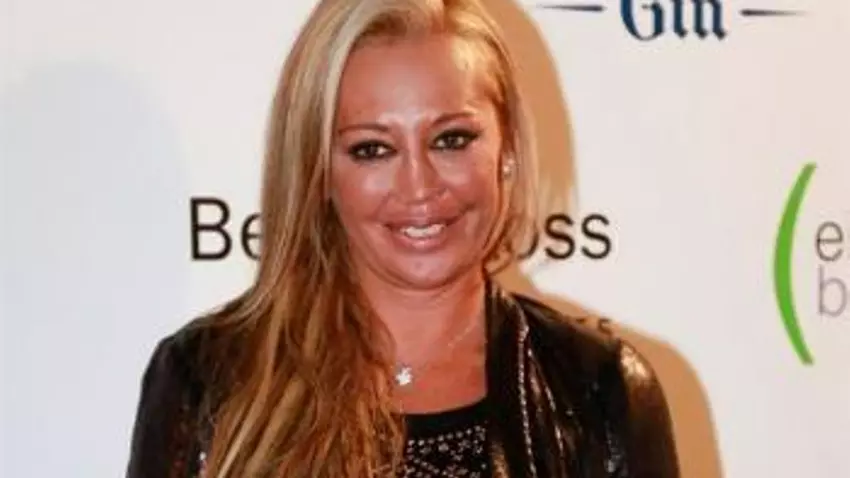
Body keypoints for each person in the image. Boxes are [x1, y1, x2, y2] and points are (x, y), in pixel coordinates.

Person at [126, 0, 680, 476]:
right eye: (372, 149)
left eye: (451, 139)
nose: (419, 186)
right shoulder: (209, 380)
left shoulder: (597, 391)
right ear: (318, 170)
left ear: (506, 148)